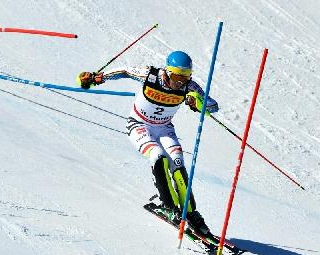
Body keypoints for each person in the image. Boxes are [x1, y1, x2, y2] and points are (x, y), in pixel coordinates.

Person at [77, 51, 219, 235]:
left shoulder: (189, 86)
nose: (180, 82)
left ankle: (191, 213)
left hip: (164, 128)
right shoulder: (151, 75)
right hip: (139, 125)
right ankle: (168, 206)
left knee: (177, 162)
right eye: (176, 77)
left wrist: (197, 101)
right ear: (168, 72)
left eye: (184, 77)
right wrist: (99, 78)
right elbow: (126, 71)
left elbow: (213, 106)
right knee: (158, 156)